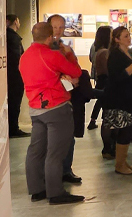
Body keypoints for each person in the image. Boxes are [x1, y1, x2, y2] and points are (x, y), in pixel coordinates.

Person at [19, 22, 85, 206]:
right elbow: (76, 71)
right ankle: (55, 192)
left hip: (35, 109)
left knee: (35, 150)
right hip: (56, 107)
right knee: (55, 153)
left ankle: (36, 189)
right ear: (49, 37)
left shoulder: (24, 57)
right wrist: (70, 55)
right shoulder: (51, 55)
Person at [102, 26, 132, 175]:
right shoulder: (115, 54)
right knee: (124, 130)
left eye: (129, 35)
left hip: (131, 97)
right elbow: (118, 77)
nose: (129, 38)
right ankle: (119, 164)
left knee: (129, 129)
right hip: (119, 98)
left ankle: (122, 161)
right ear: (117, 39)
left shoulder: (130, 52)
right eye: (125, 36)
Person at [48, 14, 85, 184]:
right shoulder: (43, 49)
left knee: (68, 137)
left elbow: (76, 70)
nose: (58, 31)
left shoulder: (65, 48)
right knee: (49, 140)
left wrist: (69, 58)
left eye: (61, 27)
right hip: (49, 100)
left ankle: (66, 170)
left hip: (66, 98)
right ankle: (51, 174)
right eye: (55, 27)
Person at [6, 14, 28, 138]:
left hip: (10, 76)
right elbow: (17, 59)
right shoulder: (13, 39)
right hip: (14, 77)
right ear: (15, 22)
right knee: (14, 102)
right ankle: (13, 128)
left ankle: (12, 127)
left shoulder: (7, 37)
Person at [87, 25, 112, 131]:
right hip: (104, 78)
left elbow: (90, 58)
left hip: (99, 76)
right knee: (103, 101)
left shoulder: (95, 46)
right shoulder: (104, 51)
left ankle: (93, 120)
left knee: (101, 100)